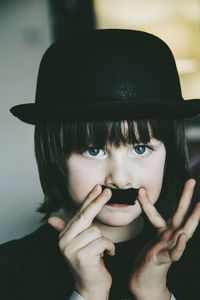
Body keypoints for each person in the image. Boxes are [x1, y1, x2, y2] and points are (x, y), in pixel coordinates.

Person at [0, 29, 200, 300]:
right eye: (93, 150)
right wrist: (87, 294)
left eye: (140, 149)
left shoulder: (192, 259)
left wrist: (153, 293)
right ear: (55, 156)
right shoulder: (10, 270)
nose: (119, 178)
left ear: (170, 153)